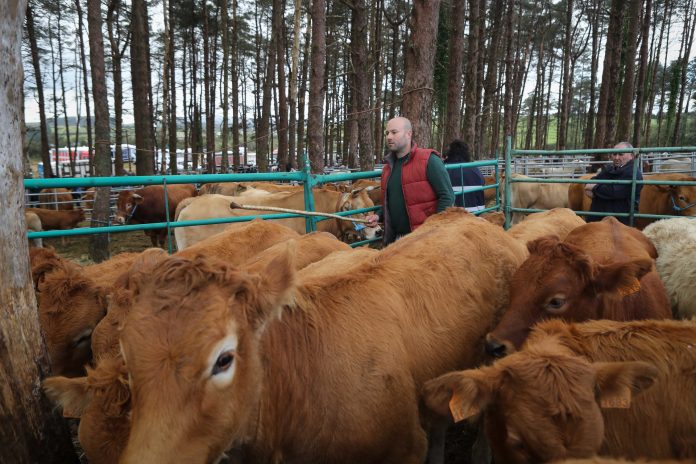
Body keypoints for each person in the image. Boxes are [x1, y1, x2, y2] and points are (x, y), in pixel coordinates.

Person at [365, 117, 454, 245]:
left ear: (409, 134)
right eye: (387, 133)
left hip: (425, 240)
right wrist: (378, 216)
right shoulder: (387, 169)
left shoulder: (429, 160)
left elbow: (447, 196)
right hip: (396, 240)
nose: (389, 137)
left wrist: (434, 231)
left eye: (394, 132)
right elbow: (390, 203)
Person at [584, 141, 642, 225]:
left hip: (619, 222)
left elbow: (614, 192)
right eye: (614, 154)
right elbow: (591, 182)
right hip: (600, 219)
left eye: (621, 154)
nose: (616, 157)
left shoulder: (633, 173)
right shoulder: (609, 169)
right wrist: (600, 190)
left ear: (632, 156)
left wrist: (594, 188)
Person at [444, 139, 485, 212]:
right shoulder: (476, 170)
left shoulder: (445, 170)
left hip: (453, 215)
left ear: (450, 153)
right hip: (476, 213)